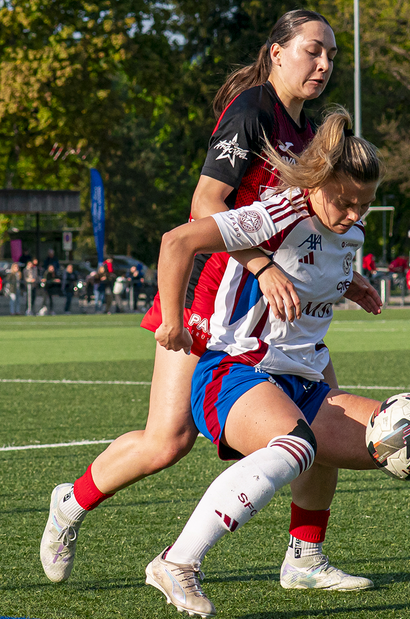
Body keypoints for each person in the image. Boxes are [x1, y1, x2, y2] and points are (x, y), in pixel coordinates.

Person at [144, 112, 410, 615]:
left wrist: (350, 283)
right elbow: (177, 241)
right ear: (317, 184)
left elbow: (317, 264)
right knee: (294, 448)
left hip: (304, 380)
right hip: (234, 370)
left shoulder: (351, 228)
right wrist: (173, 320)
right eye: (343, 201)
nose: (353, 214)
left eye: (364, 204)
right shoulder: (278, 213)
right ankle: (177, 563)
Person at [39, 10, 381, 593]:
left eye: (330, 55)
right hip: (215, 296)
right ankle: (71, 503)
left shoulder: (313, 129)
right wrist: (261, 264)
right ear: (276, 52)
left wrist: (340, 277)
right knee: (166, 442)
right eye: (311, 51)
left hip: (275, 311)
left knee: (320, 415)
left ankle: (305, 560)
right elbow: (204, 206)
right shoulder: (251, 111)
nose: (323, 64)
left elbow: (305, 224)